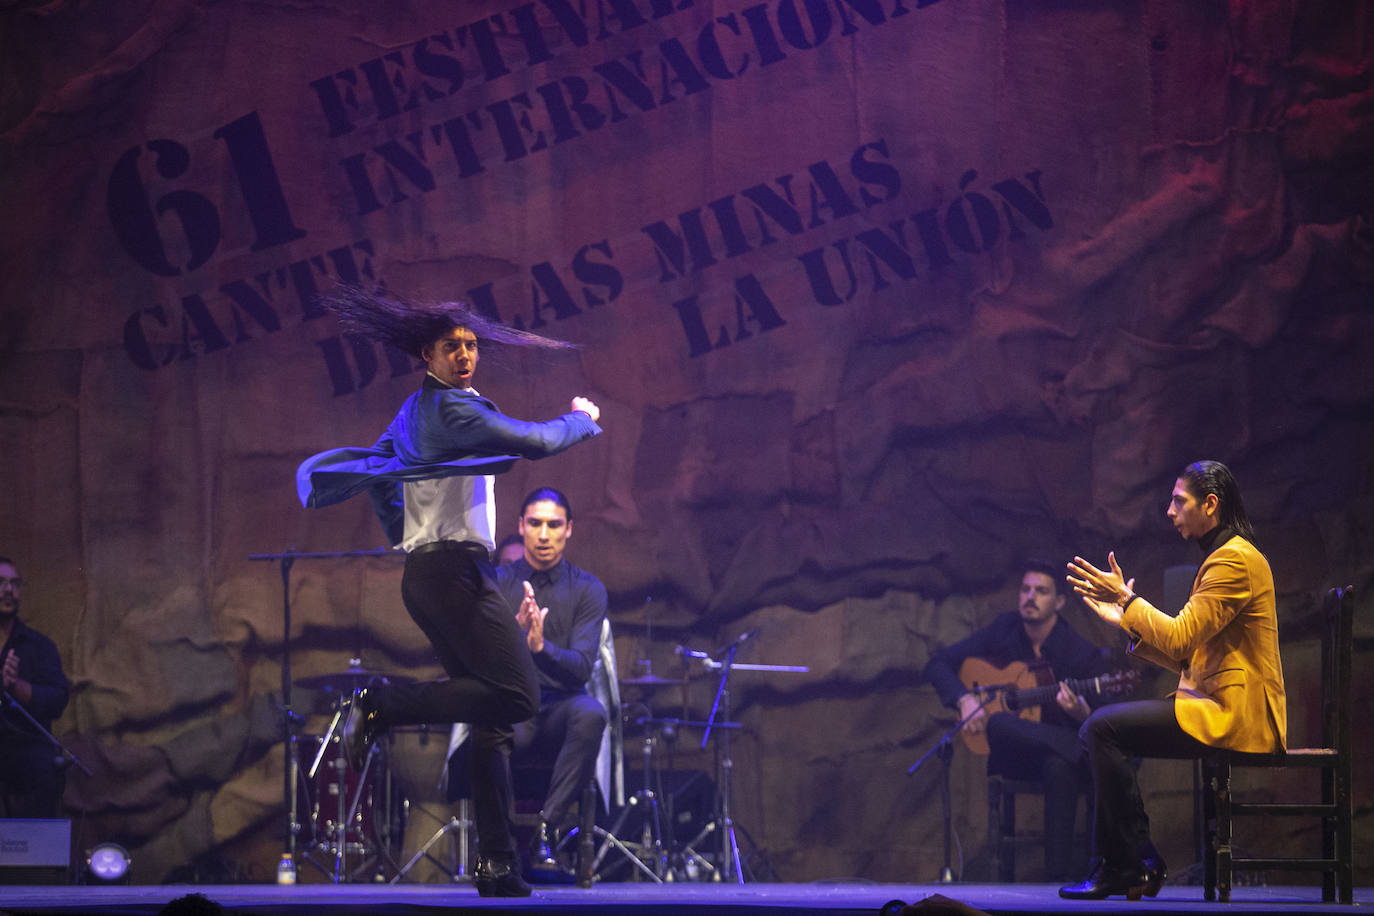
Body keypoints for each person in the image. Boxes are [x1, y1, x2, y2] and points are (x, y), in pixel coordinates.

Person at [296, 287, 603, 897]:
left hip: (434, 573)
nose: (465, 354)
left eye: (470, 346)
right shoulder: (449, 410)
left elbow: (380, 476)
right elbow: (534, 442)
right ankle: (381, 704)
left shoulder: (419, 413)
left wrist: (404, 538)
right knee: (517, 695)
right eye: (451, 346)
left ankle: (495, 864)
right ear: (426, 356)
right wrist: (581, 421)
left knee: (491, 718)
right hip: (451, 573)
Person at [1061, 459, 1286, 901]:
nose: (1169, 511)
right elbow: (1187, 650)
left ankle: (1129, 863)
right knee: (1101, 730)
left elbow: (1181, 636)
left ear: (1211, 504)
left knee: (1100, 728)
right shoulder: (1224, 558)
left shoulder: (1235, 561)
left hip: (1237, 715)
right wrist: (1125, 618)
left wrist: (1127, 599)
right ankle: (1135, 859)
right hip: (1215, 702)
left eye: (1178, 501)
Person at [923, 560, 1107, 881]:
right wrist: (964, 699)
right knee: (998, 724)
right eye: (1025, 589)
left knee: (1058, 765)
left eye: (1041, 591)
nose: (1030, 597)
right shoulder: (1004, 630)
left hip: (1062, 762)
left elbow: (1104, 713)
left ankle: (1057, 879)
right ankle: (1079, 751)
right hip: (1016, 756)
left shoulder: (1077, 651)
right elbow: (939, 663)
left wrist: (1082, 714)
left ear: (1059, 602)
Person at [495, 487, 608, 878]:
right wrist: (512, 636)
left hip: (562, 705)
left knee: (592, 713)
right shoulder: (496, 583)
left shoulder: (587, 589)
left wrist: (541, 647)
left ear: (569, 529)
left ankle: (547, 827)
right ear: (521, 527)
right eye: (536, 524)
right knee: (488, 721)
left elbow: (580, 668)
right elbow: (479, 662)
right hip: (515, 705)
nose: (544, 535)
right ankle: (504, 843)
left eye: (554, 525)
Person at [0, 555, 72, 818]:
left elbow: (57, 698)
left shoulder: (39, 646)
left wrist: (18, 688)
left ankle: (34, 857)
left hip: (26, 746)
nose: (8, 590)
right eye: (0, 582)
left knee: (45, 769)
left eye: (15, 584)